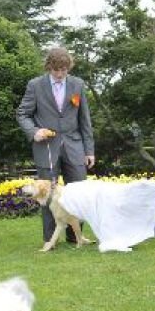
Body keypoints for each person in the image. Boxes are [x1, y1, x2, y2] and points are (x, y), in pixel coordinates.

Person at [16, 46, 94, 244]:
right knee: (48, 194)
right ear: (48, 66)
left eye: (64, 70)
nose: (60, 74)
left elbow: (85, 119)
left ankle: (75, 237)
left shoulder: (78, 84)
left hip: (75, 146)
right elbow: (22, 114)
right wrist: (34, 132)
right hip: (46, 148)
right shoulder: (35, 85)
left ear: (69, 67)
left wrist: (89, 150)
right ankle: (50, 239)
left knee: (77, 193)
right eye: (56, 69)